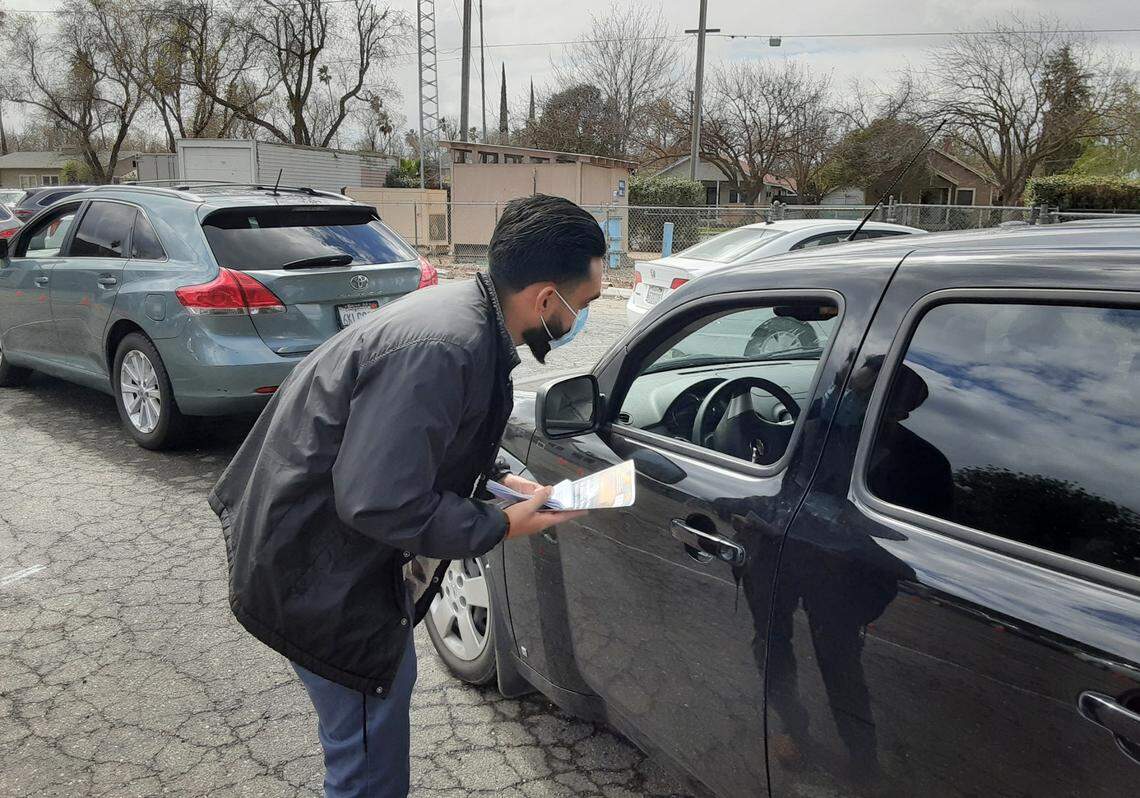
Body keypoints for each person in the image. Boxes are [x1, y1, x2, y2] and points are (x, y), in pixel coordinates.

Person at [207, 194, 605, 797]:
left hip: (319, 551)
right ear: (546, 299)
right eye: (586, 302)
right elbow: (379, 500)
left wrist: (505, 479)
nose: (582, 316)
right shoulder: (449, 345)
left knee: (370, 728)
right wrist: (503, 524)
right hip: (319, 573)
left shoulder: (466, 318)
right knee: (367, 762)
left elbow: (434, 433)